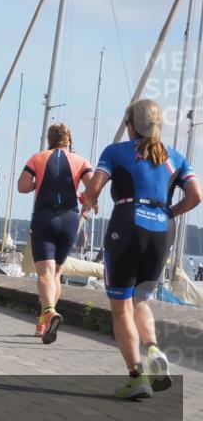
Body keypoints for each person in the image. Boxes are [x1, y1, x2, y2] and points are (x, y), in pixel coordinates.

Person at [82, 99, 201, 399]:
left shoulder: (116, 152)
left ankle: (137, 377)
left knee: (121, 306)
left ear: (130, 124)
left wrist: (90, 200)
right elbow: (196, 195)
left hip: (127, 225)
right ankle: (154, 349)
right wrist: (170, 213)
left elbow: (94, 187)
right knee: (142, 301)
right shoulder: (176, 157)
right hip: (161, 232)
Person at [17, 123, 93, 344]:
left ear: (49, 139)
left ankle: (49, 312)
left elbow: (22, 186)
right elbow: (92, 189)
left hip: (45, 218)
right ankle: (43, 322)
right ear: (68, 140)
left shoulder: (37, 157)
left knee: (44, 274)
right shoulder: (82, 161)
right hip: (69, 219)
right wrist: (87, 201)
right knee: (56, 274)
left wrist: (34, 185)